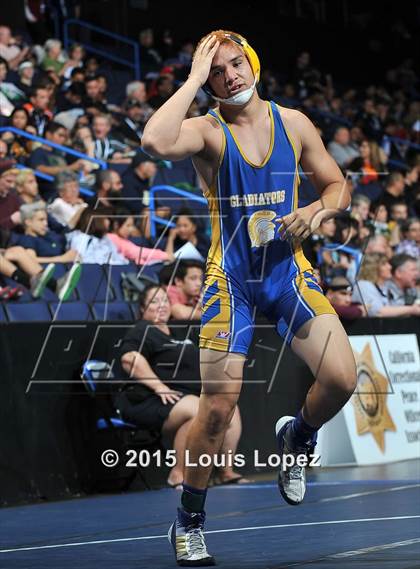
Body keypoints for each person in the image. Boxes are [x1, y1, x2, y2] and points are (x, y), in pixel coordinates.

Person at [142, 30, 357, 565]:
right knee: (217, 408)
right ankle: (189, 522)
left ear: (252, 64)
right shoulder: (209, 132)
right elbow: (154, 142)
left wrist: (315, 212)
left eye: (236, 64)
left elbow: (337, 185)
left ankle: (298, 437)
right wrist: (190, 80)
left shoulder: (294, 123)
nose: (230, 75)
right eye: (217, 71)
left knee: (342, 379)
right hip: (231, 279)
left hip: (286, 273)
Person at [118, 283, 246, 489]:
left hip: (186, 396)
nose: (161, 305)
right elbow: (130, 359)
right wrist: (159, 387)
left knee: (229, 408)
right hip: (149, 400)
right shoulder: (142, 330)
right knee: (198, 411)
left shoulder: (178, 331)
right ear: (142, 308)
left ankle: (225, 471)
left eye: (165, 300)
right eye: (154, 301)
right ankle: (178, 474)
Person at [352, 253, 420, 317]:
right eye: (384, 264)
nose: (390, 267)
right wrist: (411, 309)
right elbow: (377, 312)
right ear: (373, 267)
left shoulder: (385, 287)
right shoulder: (363, 285)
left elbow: (395, 308)